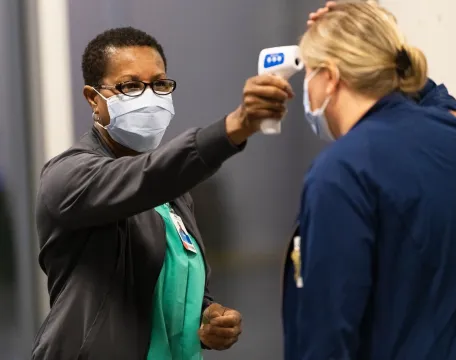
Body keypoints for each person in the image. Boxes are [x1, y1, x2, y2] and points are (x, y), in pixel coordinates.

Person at [32, 27, 294, 360]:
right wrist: (235, 125)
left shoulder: (174, 193)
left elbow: (169, 281)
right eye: (130, 86)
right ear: (93, 98)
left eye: (159, 84)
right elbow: (144, 178)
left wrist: (207, 317)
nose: (149, 96)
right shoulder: (67, 177)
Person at [282, 2, 456, 359]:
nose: (306, 91)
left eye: (309, 73)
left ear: (330, 76)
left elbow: (326, 334)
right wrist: (374, 30)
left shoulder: (341, 172)